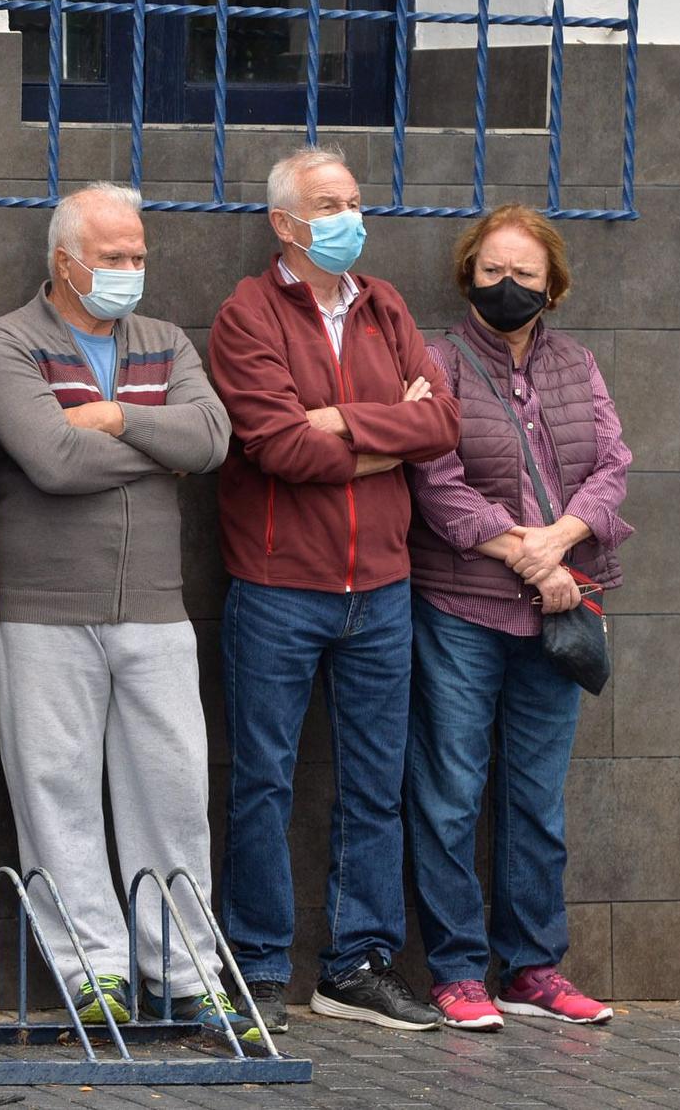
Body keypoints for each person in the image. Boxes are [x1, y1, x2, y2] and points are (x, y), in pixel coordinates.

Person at [0, 182, 254, 1034]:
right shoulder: (7, 341)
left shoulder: (164, 339)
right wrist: (152, 437)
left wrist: (111, 417)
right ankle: (92, 970)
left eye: (139, 256)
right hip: (40, 606)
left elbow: (211, 439)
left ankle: (187, 970)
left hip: (156, 609)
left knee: (173, 793)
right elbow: (52, 460)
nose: (132, 270)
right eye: (114, 258)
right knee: (53, 792)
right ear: (65, 264)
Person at [207, 146, 458, 1033]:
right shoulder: (246, 315)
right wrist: (392, 433)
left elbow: (445, 423)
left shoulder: (384, 304)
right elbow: (281, 447)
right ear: (285, 222)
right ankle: (258, 964)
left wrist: (345, 422)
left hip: (384, 585)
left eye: (353, 199)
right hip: (279, 586)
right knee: (263, 782)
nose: (349, 215)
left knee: (374, 785)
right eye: (328, 203)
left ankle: (357, 964)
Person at [405, 204, 631, 1030]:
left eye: (524, 274)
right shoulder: (438, 361)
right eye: (492, 271)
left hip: (562, 608)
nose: (507, 286)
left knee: (537, 797)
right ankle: (459, 970)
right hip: (463, 608)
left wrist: (562, 543)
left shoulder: (578, 363)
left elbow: (612, 467)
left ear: (553, 285)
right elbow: (436, 480)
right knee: (451, 791)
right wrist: (526, 554)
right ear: (469, 274)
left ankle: (533, 966)